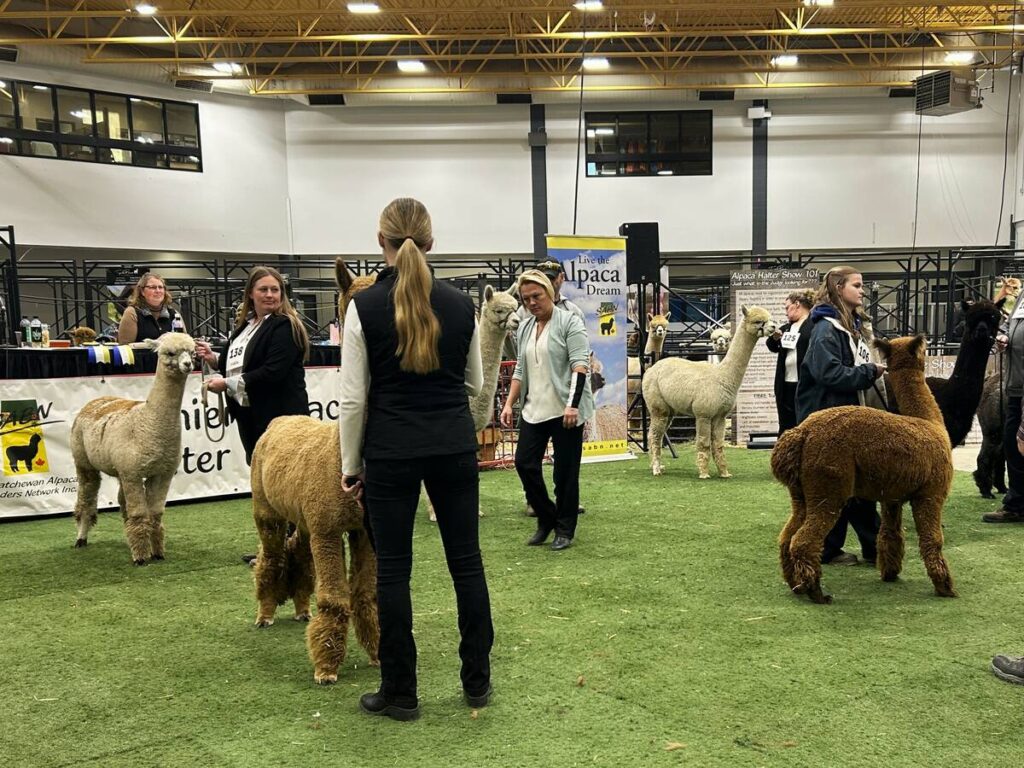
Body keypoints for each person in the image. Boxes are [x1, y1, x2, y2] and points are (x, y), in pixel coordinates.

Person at [338, 197, 492, 722]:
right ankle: (477, 682)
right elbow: (474, 383)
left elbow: (354, 399)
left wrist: (349, 465)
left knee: (393, 574)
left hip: (390, 451)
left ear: (379, 242)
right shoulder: (459, 304)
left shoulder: (361, 307)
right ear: (431, 242)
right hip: (451, 445)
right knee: (466, 564)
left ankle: (401, 693)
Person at [796, 266, 887, 567]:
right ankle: (826, 549)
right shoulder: (825, 329)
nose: (862, 291)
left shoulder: (847, 325)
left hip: (842, 417)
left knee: (850, 487)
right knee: (840, 489)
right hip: (828, 418)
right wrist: (868, 372)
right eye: (857, 285)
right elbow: (828, 373)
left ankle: (849, 547)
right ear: (838, 287)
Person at [500, 270, 594, 552]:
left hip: (565, 410)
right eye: (526, 298)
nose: (531, 302)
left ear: (549, 294)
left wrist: (572, 405)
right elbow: (520, 368)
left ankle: (564, 529)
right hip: (534, 408)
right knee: (524, 464)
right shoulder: (526, 327)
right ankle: (546, 517)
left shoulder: (570, 323)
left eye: (536, 296)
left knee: (565, 473)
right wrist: (508, 403)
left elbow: (580, 366)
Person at [194, 266, 309, 465]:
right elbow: (240, 363)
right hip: (249, 414)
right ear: (250, 293)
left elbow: (273, 372)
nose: (270, 295)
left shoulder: (285, 325)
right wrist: (214, 358)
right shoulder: (245, 327)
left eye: (275, 290)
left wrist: (227, 384)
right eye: (263, 290)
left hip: (281, 417)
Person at [982, 297, 1024, 523]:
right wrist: (1004, 336)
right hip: (1015, 386)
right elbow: (1010, 324)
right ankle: (1016, 504)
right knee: (1011, 443)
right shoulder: (1022, 297)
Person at [766, 290, 814, 436]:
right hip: (785, 384)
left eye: (787, 307)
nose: (786, 312)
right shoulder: (786, 328)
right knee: (786, 424)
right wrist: (775, 338)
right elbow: (771, 346)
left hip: (806, 384)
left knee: (805, 422)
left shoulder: (814, 325)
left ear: (797, 304)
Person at [117, 272, 185, 343]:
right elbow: (125, 347)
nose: (158, 291)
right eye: (153, 287)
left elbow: (184, 342)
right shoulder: (132, 312)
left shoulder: (174, 313)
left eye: (160, 287)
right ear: (142, 291)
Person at [516, 259, 585, 323]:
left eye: (551, 278)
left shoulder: (573, 311)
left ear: (562, 277)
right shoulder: (523, 312)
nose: (548, 282)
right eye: (543, 278)